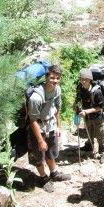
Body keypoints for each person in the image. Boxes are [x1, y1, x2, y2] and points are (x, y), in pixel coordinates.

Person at [27, 65, 71, 193]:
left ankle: (54, 173)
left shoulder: (57, 90)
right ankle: (43, 178)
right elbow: (33, 120)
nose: (55, 81)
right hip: (38, 128)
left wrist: (58, 126)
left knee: (51, 152)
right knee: (38, 155)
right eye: (52, 78)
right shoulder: (36, 97)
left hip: (51, 125)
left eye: (57, 78)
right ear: (46, 77)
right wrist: (40, 140)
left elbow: (56, 109)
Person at [73, 68, 104, 163]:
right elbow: (78, 97)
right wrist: (75, 104)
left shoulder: (97, 91)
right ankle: (89, 145)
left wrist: (86, 112)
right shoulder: (80, 87)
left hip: (97, 116)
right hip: (87, 115)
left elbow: (100, 107)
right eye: (82, 79)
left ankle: (103, 151)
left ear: (90, 80)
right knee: (89, 130)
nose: (84, 81)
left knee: (100, 134)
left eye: (86, 79)